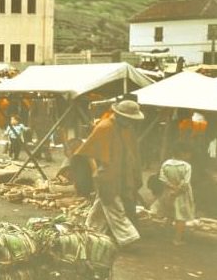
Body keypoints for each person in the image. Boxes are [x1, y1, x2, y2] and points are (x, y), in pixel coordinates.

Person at [75, 100, 144, 248]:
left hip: (122, 174)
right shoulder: (105, 127)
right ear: (120, 116)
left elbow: (131, 153)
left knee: (101, 208)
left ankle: (89, 232)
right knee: (115, 207)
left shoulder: (127, 129)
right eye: (129, 119)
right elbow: (88, 152)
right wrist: (95, 172)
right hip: (106, 175)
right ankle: (129, 238)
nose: (131, 122)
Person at [155, 145, 196, 246]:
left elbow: (162, 178)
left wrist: (171, 187)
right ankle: (177, 239)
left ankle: (165, 235)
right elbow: (186, 183)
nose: (189, 155)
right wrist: (177, 190)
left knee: (169, 214)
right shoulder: (186, 166)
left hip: (168, 192)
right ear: (183, 153)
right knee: (180, 217)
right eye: (188, 153)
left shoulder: (166, 163)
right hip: (181, 195)